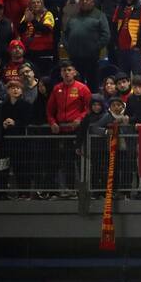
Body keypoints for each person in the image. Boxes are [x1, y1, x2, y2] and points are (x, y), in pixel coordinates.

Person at [47, 61, 91, 195]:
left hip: (78, 131)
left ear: (75, 72)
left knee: (80, 161)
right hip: (61, 131)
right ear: (61, 73)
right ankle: (70, 189)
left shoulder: (83, 88)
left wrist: (79, 119)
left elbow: (89, 109)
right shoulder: (56, 89)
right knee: (66, 161)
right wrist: (52, 122)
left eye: (69, 70)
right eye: (64, 70)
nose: (66, 73)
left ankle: (83, 190)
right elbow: (50, 110)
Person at [63, 0, 110, 91]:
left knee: (93, 85)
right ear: (78, 3)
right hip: (74, 57)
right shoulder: (73, 15)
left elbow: (106, 35)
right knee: (75, 86)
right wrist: (68, 47)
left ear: (92, 2)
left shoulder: (99, 15)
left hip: (92, 58)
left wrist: (95, 47)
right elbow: (65, 34)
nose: (84, 2)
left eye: (87, 0)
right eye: (82, 0)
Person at [112, 0, 141, 76]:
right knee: (123, 75)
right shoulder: (119, 8)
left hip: (135, 48)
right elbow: (113, 26)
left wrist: (138, 45)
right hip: (122, 47)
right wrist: (116, 43)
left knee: (137, 75)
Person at [19, 0, 55, 77]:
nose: (36, 4)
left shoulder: (48, 14)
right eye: (33, 2)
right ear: (30, 4)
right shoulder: (28, 14)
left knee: (44, 77)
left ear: (42, 4)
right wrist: (25, 22)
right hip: (29, 52)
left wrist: (33, 20)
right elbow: (20, 30)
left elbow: (46, 30)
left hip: (44, 52)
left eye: (38, 2)